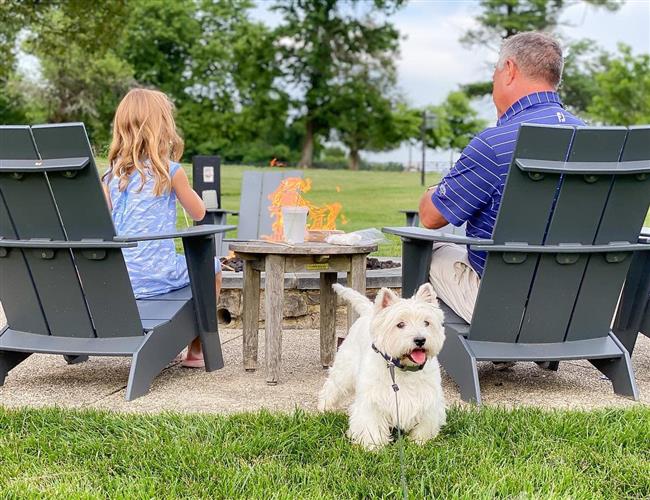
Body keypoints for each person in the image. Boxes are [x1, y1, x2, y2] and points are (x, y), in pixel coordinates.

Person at [419, 31, 584, 325]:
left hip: (503, 309)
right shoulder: (594, 139)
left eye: (494, 73)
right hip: (577, 304)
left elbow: (431, 217)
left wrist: (438, 187)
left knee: (430, 247)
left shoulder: (495, 143)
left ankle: (415, 347)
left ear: (509, 70)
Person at [102, 88, 221, 368]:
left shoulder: (109, 176)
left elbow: (106, 221)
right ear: (162, 127)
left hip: (119, 278)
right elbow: (199, 212)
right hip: (157, 275)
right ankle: (196, 349)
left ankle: (194, 346)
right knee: (212, 268)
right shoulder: (171, 171)